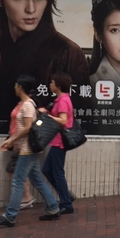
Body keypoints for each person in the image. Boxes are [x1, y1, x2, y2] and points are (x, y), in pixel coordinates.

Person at [0, 74, 62, 227]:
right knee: (37, 180)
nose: (14, 88)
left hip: (27, 149)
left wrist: (12, 139)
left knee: (18, 181)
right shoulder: (26, 104)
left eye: (16, 85)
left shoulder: (28, 105)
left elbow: (28, 127)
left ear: (21, 87)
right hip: (28, 148)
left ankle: (10, 215)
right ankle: (53, 208)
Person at [41, 71, 76, 214]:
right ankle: (65, 196)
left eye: (52, 82)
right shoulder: (60, 99)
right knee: (47, 170)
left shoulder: (62, 101)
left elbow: (63, 120)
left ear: (59, 85)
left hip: (60, 141)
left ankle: (66, 203)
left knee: (57, 172)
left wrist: (47, 116)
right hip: (56, 141)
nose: (50, 85)